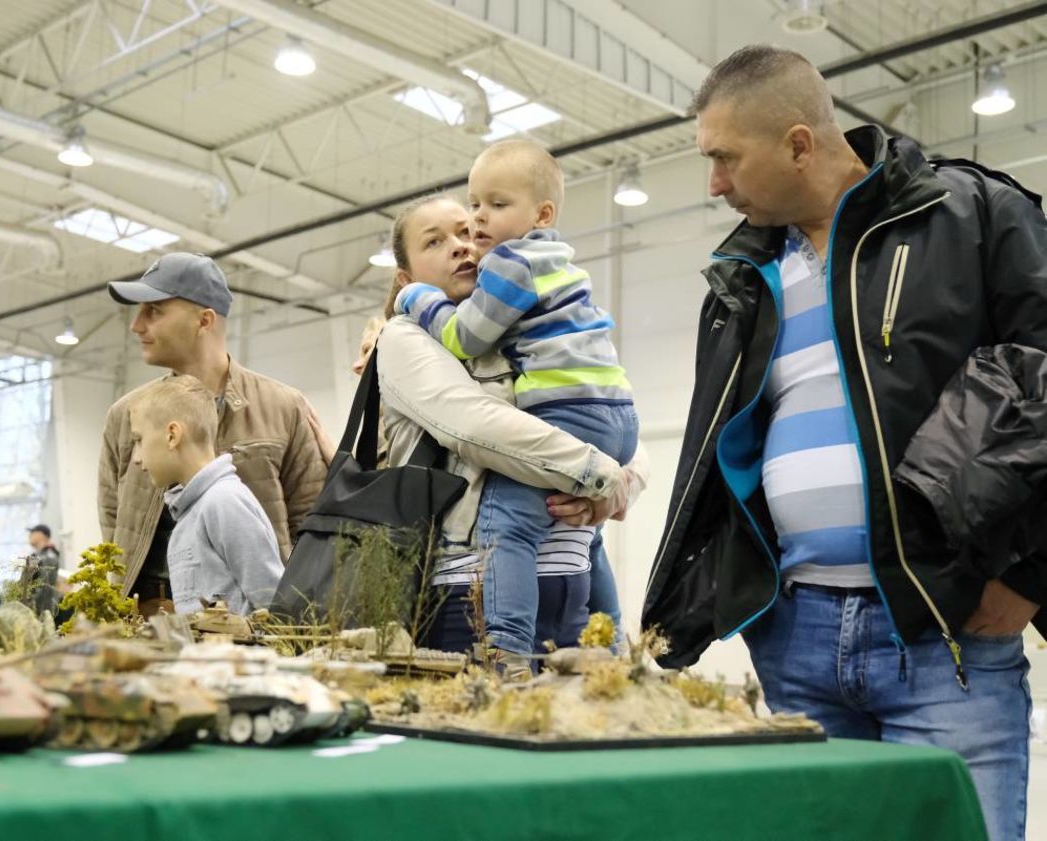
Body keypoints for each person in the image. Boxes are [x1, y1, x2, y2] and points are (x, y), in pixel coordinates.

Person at [641, 45, 1045, 841]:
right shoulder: (741, 278)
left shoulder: (975, 216)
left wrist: (1033, 572)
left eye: (724, 158)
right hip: (796, 637)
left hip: (944, 636)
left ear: (798, 143)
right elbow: (719, 455)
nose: (713, 183)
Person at [395, 140, 639, 661]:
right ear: (404, 278)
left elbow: (604, 425)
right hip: (473, 590)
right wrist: (600, 473)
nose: (465, 241)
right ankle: (523, 646)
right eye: (436, 242)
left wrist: (616, 484)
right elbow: (474, 425)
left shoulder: (509, 297)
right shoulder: (406, 337)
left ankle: (614, 645)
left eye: (469, 228)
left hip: (567, 580)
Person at [99, 252, 330, 616]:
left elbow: (313, 526)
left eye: (154, 311)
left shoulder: (284, 408)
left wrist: (291, 626)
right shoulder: (125, 417)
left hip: (246, 632)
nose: (136, 325)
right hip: (142, 623)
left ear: (203, 320)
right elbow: (113, 526)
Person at [129, 377, 282, 616]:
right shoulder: (191, 511)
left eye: (139, 440)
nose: (137, 458)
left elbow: (273, 602)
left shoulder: (223, 502)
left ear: (172, 435)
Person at [22, 524, 61, 616]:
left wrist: (38, 614)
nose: (30, 536)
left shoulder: (47, 557)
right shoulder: (39, 556)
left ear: (41, 534)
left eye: (32, 532)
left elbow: (45, 590)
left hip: (38, 612)